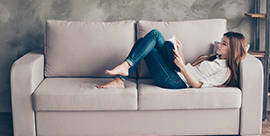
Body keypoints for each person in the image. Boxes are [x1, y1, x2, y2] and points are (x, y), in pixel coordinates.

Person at [96, 29, 246, 89]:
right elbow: (190, 68)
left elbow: (197, 85)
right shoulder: (213, 58)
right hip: (178, 72)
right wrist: (180, 52)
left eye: (224, 44)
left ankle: (122, 74)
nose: (219, 45)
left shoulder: (225, 71)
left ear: (233, 50)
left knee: (151, 38)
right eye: (221, 41)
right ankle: (121, 77)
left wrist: (181, 67)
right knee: (151, 38)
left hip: (176, 81)